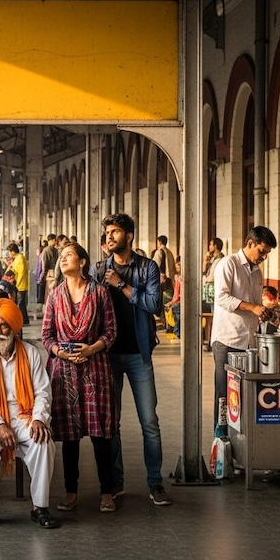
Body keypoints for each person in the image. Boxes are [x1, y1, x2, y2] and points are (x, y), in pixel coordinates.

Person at [94, 213, 171, 506]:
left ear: (129, 236)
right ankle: (115, 482)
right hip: (108, 354)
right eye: (108, 232)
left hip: (139, 353)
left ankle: (155, 482)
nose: (110, 236)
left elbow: (153, 305)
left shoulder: (147, 267)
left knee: (149, 421)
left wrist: (122, 285)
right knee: (111, 422)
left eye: (115, 231)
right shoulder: (100, 269)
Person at [0, 298, 58, 530]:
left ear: (14, 326)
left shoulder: (29, 353)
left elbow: (42, 392)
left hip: (24, 416)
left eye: (4, 325)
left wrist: (39, 419)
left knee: (43, 441)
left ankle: (39, 507)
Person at [42, 242, 117, 513]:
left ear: (83, 262)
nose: (63, 260)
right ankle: (70, 491)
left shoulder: (99, 293)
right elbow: (46, 335)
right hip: (63, 372)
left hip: (95, 368)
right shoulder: (54, 294)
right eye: (61, 257)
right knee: (69, 436)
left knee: (100, 435)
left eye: (68, 256)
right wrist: (59, 352)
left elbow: (110, 331)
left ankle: (107, 492)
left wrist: (92, 348)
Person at [210, 225, 277, 432]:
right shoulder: (227, 264)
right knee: (224, 393)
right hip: (227, 340)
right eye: (262, 251)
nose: (263, 257)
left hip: (249, 342)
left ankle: (241, 439)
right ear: (250, 244)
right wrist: (253, 307)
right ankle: (221, 438)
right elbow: (221, 297)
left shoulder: (257, 271)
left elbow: (255, 305)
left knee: (244, 394)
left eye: (266, 253)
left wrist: (265, 311)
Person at [6, 242, 30, 325]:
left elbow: (21, 273)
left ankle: (23, 320)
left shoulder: (20, 258)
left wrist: (17, 284)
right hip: (19, 285)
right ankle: (25, 320)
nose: (9, 253)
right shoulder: (17, 259)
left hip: (21, 285)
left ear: (13, 251)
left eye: (9, 251)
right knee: (21, 303)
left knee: (20, 304)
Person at [202, 237, 224, 311]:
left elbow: (211, 277)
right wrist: (205, 262)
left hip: (214, 290)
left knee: (214, 311)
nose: (209, 246)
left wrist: (205, 278)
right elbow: (204, 271)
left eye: (211, 244)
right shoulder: (212, 259)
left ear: (215, 246)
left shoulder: (219, 260)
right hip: (209, 292)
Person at [166, 256, 183, 340]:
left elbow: (177, 294)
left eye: (179, 265)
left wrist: (172, 302)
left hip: (181, 301)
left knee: (176, 308)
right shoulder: (177, 277)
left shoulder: (180, 278)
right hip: (179, 300)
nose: (177, 267)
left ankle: (177, 331)